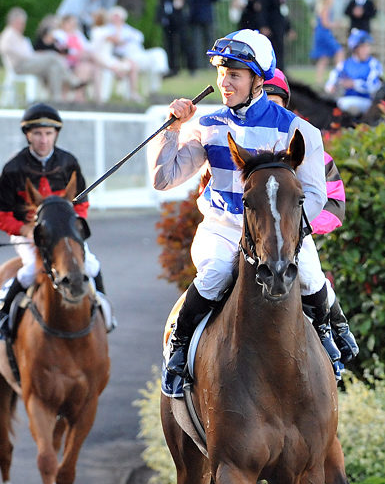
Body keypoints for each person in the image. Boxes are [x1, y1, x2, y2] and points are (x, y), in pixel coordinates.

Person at [148, 29, 349, 395]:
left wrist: (283, 233)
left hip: (278, 231)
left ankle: (333, 332)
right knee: (216, 273)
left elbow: (316, 195)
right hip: (223, 229)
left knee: (308, 274)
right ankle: (179, 350)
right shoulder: (208, 126)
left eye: (235, 74)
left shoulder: (297, 130)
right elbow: (164, 179)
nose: (224, 82)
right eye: (221, 72)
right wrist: (173, 129)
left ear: (258, 80)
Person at [0, 103, 112, 340]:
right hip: (30, 234)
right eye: (37, 134)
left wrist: (71, 224)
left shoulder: (68, 163)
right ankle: (0, 314)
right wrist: (25, 229)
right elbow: (2, 215)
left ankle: (103, 310)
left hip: (65, 232)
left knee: (92, 265)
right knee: (28, 271)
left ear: (56, 134)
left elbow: (82, 203)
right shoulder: (13, 169)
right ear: (28, 135)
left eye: (48, 133)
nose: (43, 140)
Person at [263, 68, 358, 367]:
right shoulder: (241, 147)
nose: (268, 111)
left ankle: (335, 330)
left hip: (295, 235)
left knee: (311, 276)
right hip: (250, 235)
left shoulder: (310, 148)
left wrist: (300, 227)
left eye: (274, 103)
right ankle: (181, 342)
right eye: (262, 103)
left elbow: (335, 203)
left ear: (286, 106)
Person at [0, 7, 85, 101]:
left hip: (30, 62)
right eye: (21, 23)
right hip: (20, 65)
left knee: (54, 68)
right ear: (14, 21)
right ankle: (72, 80)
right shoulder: (9, 33)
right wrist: (23, 55)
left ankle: (56, 98)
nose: (23, 25)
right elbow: (2, 47)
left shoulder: (19, 35)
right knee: (52, 56)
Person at [325, 28, 382, 117]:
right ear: (355, 49)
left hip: (366, 102)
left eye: (367, 46)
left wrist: (354, 84)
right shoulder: (344, 64)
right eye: (363, 47)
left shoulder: (374, 64)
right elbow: (331, 80)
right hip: (345, 100)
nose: (366, 50)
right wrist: (332, 86)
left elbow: (375, 86)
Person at [149, 0, 194, 77]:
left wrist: (181, 2)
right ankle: (173, 68)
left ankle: (191, 67)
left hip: (179, 18)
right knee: (169, 44)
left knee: (184, 42)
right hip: (166, 18)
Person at [256, 0, 292, 70]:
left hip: (279, 27)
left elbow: (283, 12)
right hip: (271, 28)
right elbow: (263, 11)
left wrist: (289, 28)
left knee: (280, 51)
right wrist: (263, 26)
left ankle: (281, 72)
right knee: (273, 52)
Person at [309, 0, 342, 87]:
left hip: (321, 34)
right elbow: (325, 24)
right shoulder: (325, 9)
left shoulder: (321, 8)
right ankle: (339, 75)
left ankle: (319, 80)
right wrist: (336, 24)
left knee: (323, 58)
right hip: (325, 35)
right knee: (339, 51)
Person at [186, 0, 218, 67]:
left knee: (197, 43)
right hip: (207, 15)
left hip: (195, 16)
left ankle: (199, 65)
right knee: (210, 42)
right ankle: (211, 63)